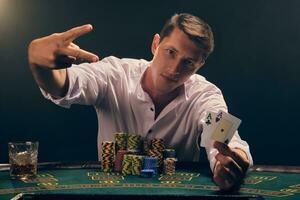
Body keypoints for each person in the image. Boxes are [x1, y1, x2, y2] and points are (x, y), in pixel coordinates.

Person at [28, 13, 253, 190]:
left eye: (188, 63)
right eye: (170, 52)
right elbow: (63, 85)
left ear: (200, 66)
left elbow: (225, 137)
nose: (174, 69)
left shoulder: (206, 94)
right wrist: (40, 65)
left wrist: (232, 159)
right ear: (156, 45)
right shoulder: (114, 73)